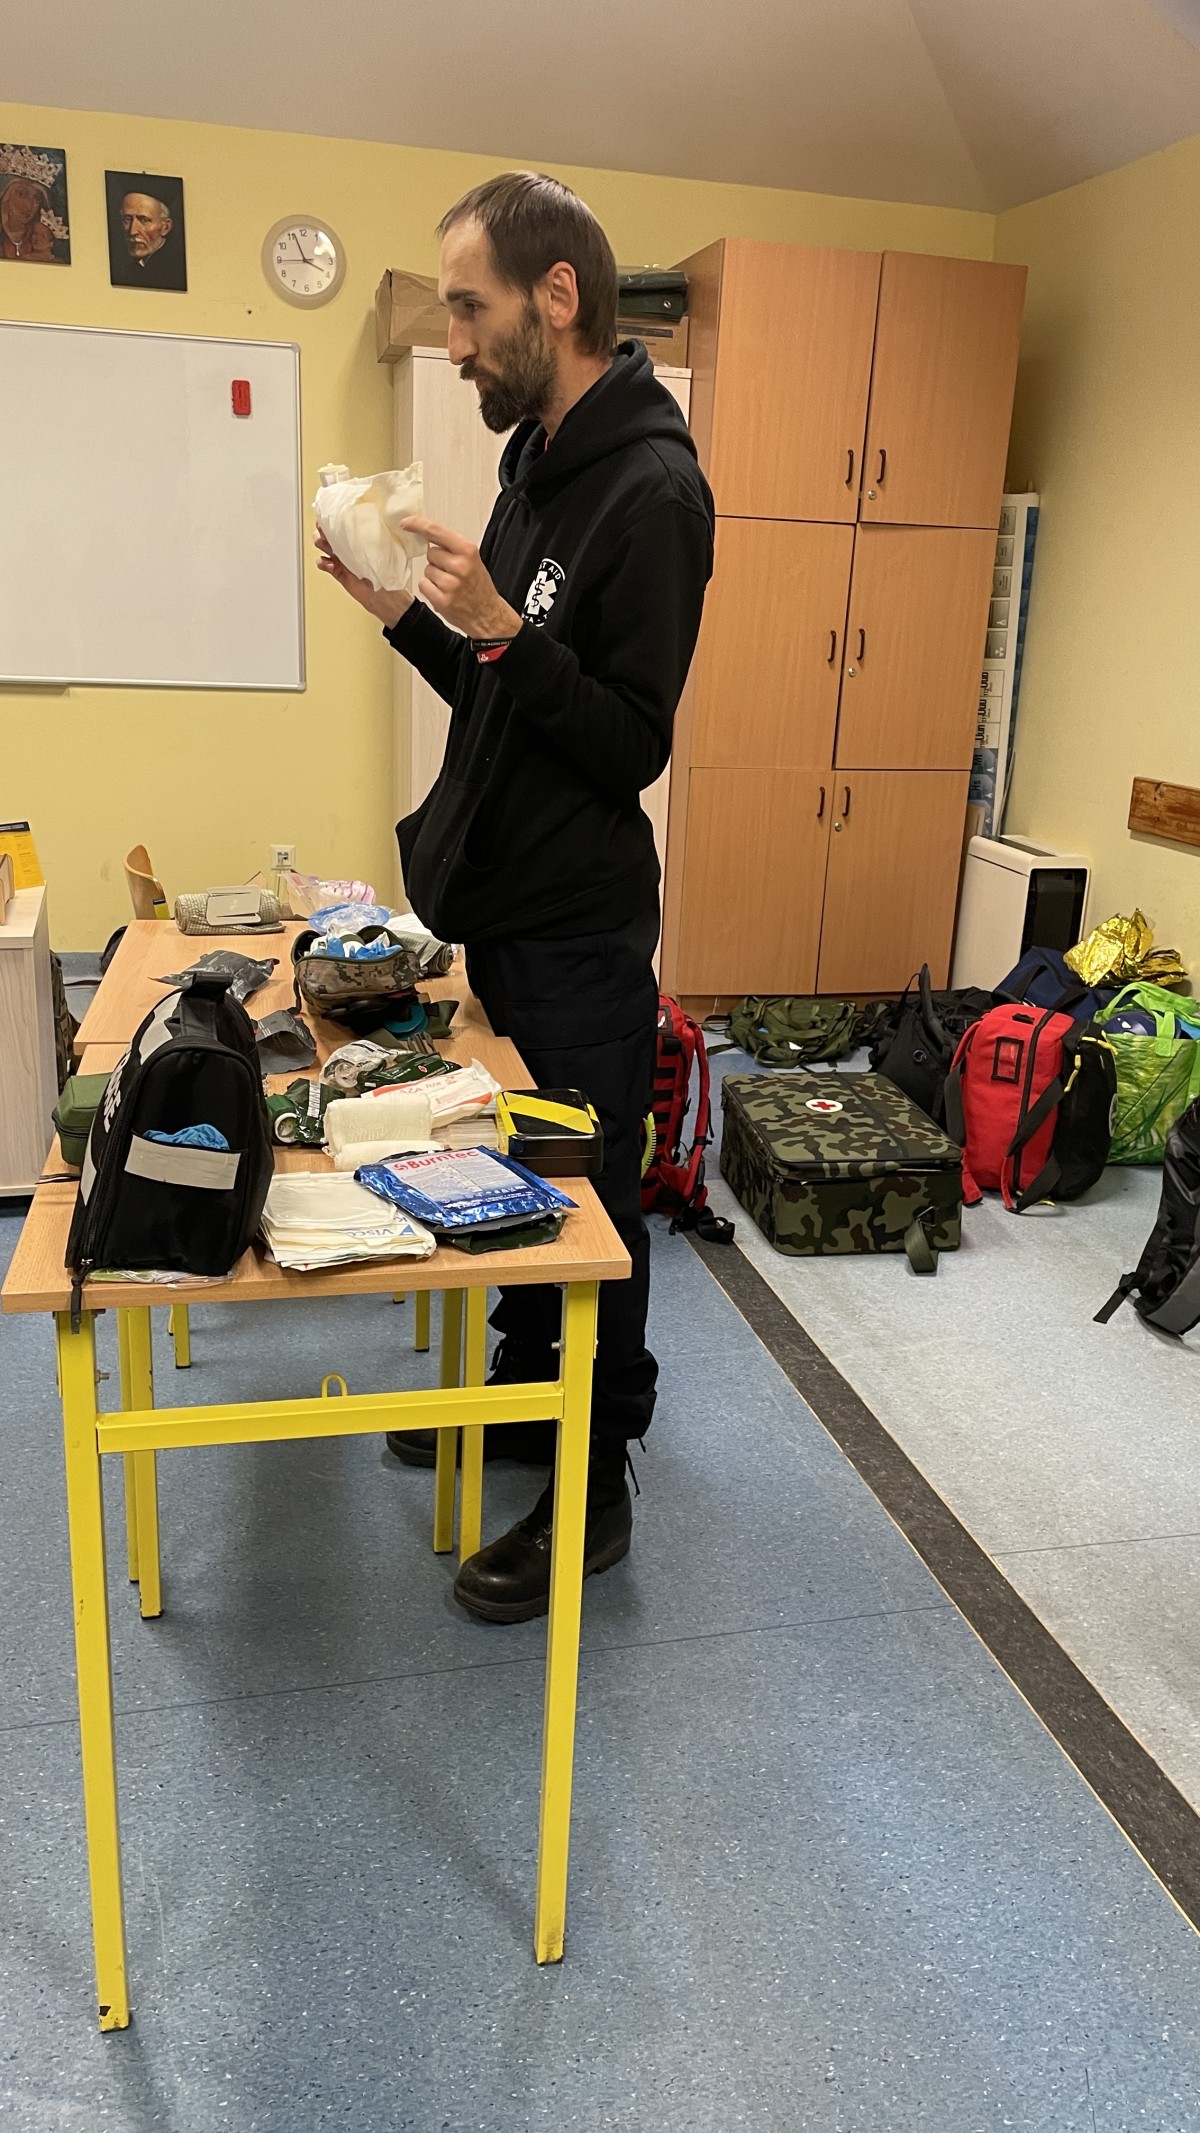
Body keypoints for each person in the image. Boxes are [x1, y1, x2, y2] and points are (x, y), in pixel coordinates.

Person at [317, 171, 713, 1623]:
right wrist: (411, 618)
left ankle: (593, 1484)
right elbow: (506, 695)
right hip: (502, 917)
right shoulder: (537, 462)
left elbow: (627, 742)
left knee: (590, 1206)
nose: (456, 340)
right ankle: (522, 1401)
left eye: (470, 309)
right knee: (521, 1184)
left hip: (581, 933)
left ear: (558, 296)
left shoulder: (654, 493)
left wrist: (499, 630)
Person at [1, 174, 56, 262]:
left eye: (37, 199)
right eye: (22, 194)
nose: (29, 207)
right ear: (7, 196)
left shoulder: (40, 238)